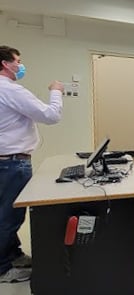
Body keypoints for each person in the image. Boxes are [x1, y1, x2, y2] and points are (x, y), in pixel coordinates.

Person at [0, 45, 64, 283]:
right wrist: (56, 91)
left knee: (4, 214)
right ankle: (4, 268)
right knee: (9, 217)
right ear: (6, 64)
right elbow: (51, 115)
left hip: (5, 162)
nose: (21, 65)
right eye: (18, 61)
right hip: (12, 163)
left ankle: (12, 255)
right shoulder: (9, 89)